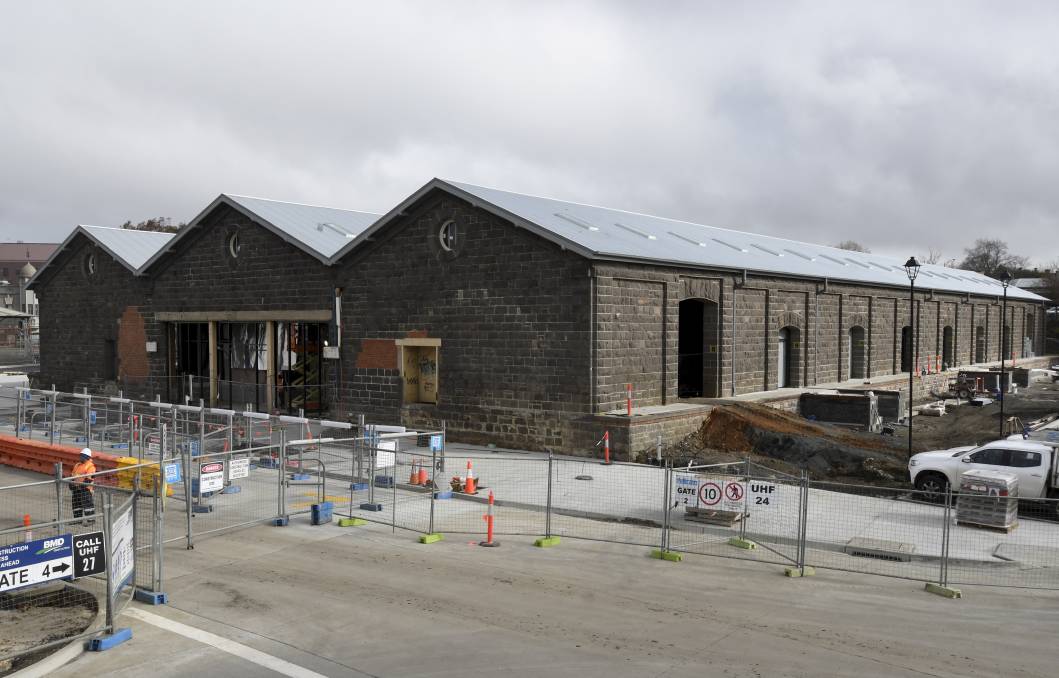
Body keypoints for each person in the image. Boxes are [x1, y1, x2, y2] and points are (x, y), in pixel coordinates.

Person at [71, 448, 96, 525]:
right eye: (80, 455)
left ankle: (91, 520)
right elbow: (72, 476)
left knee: (88, 505)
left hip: (86, 489)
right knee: (76, 505)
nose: (80, 457)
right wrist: (71, 484)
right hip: (76, 489)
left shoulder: (91, 467)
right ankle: (78, 520)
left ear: (87, 457)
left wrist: (80, 486)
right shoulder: (77, 465)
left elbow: (88, 480)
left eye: (82, 456)